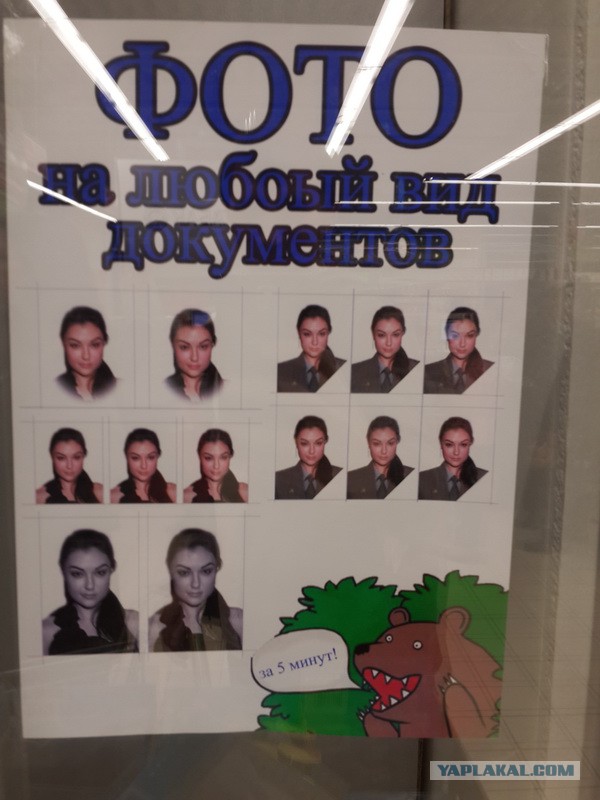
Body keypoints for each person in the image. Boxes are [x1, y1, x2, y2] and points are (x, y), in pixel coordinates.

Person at [42, 529, 138, 655]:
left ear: (111, 569)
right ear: (63, 571)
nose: (90, 585)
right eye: (77, 574)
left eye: (100, 572)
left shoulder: (133, 623)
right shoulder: (46, 631)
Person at [148, 529, 243, 652]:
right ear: (170, 570)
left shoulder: (238, 621)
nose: (196, 584)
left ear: (217, 567)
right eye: (184, 572)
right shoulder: (154, 628)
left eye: (206, 571)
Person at [424, 307, 494, 394]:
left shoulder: (491, 370)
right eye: (455, 336)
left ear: (476, 335)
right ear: (446, 335)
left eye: (469, 335)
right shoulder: (428, 372)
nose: (462, 344)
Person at [277, 305, 346, 392]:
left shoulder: (344, 369)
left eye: (321, 334)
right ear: (299, 333)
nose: (315, 342)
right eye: (307, 334)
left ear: (328, 333)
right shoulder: (280, 371)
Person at [351, 307, 419, 393]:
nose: (388, 343)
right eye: (381, 335)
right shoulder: (354, 372)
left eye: (395, 334)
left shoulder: (417, 370)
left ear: (402, 333)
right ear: (373, 334)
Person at [418, 417, 488, 501]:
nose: (456, 452)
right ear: (441, 444)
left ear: (470, 443)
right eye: (449, 444)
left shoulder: (485, 478)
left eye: (463, 444)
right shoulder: (421, 480)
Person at [56, 306, 116, 401]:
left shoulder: (122, 388)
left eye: (95, 345)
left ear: (104, 343)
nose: (86, 356)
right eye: (75, 345)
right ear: (63, 344)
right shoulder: (51, 390)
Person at [275, 416, 341, 499]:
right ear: (296, 442)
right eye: (304, 443)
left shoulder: (340, 476)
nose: (311, 451)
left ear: (325, 441)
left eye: (318, 443)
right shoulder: (278, 480)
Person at [347, 416, 413, 499]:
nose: (384, 451)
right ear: (368, 443)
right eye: (377, 444)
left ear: (397, 442)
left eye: (390, 443)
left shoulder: (411, 476)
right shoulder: (350, 479)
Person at [165, 308, 223, 401]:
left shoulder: (229, 389)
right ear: (173, 345)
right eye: (184, 347)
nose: (194, 357)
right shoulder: (161, 390)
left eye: (203, 346)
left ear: (212, 345)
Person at [36, 428, 103, 504]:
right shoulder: (39, 498)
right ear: (52, 457)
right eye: (61, 458)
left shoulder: (100, 492)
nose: (69, 466)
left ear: (83, 456)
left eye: (76, 457)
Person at [111, 429, 176, 503]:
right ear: (126, 457)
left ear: (157, 456)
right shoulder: (113, 497)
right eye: (135, 458)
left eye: (150, 457)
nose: (143, 466)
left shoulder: (174, 492)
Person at [184, 429, 248, 503]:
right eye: (208, 458)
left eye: (223, 457)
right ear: (199, 456)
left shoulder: (246, 492)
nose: (216, 466)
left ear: (230, 456)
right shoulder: (185, 497)